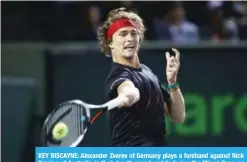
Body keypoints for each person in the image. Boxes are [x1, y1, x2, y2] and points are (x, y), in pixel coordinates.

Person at [97, 7, 186, 146]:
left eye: (133, 33)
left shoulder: (146, 71)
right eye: (123, 34)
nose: (130, 38)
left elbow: (179, 116)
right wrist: (129, 94)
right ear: (110, 43)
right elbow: (127, 88)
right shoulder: (118, 76)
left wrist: (172, 82)